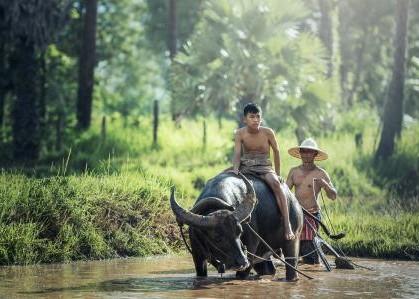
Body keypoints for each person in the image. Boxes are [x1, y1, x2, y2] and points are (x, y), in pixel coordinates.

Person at [229, 103, 295, 240]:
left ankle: (287, 225)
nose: (256, 120)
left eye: (258, 116)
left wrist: (277, 173)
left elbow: (276, 152)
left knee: (276, 184)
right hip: (246, 165)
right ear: (244, 119)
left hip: (264, 166)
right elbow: (237, 153)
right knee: (223, 177)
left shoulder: (268, 132)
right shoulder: (239, 133)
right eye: (252, 117)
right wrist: (235, 168)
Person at [286, 138, 337, 264]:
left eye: (309, 152)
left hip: (312, 215)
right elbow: (285, 193)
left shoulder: (321, 173)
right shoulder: (294, 172)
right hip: (296, 214)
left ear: (315, 154)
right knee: (292, 245)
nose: (306, 154)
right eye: (304, 151)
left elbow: (333, 196)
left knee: (308, 245)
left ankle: (313, 263)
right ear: (300, 153)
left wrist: (325, 185)